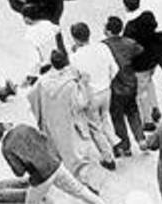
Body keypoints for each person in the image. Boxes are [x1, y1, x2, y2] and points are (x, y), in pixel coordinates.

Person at [29, 50, 111, 181]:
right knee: (75, 151)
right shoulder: (70, 84)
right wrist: (84, 84)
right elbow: (81, 103)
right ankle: (81, 179)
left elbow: (31, 95)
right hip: (68, 122)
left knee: (57, 147)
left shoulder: (42, 81)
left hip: (50, 121)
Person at [1, 124, 104, 204]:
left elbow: (19, 172)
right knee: (79, 190)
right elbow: (44, 137)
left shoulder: (6, 148)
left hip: (41, 176)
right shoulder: (22, 127)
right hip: (55, 163)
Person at [70, 22, 120, 167]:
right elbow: (115, 68)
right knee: (105, 117)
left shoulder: (75, 57)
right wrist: (107, 80)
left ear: (75, 39)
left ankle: (108, 157)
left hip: (91, 94)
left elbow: (75, 79)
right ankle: (114, 141)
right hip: (106, 90)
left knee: (94, 127)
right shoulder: (103, 47)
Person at [101, 16, 147, 156]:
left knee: (117, 117)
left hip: (115, 87)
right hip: (130, 82)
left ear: (108, 31)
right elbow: (140, 51)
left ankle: (125, 145)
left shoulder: (103, 46)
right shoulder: (130, 43)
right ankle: (140, 138)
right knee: (133, 111)